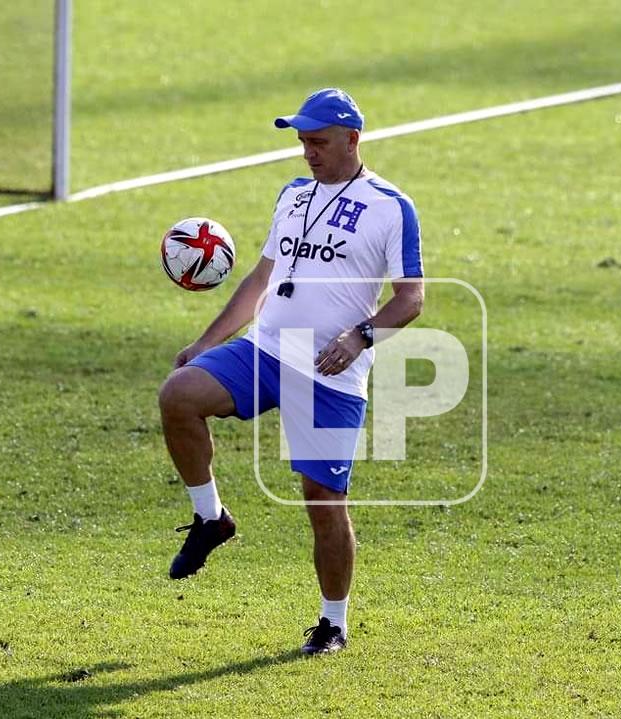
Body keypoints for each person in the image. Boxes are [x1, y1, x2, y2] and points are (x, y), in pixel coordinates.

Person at [157, 88, 424, 655]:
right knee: (179, 394)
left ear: (352, 139)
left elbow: (411, 299)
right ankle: (210, 518)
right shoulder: (293, 195)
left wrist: (360, 337)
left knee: (323, 500)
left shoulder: (391, 206)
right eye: (303, 142)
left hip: (331, 372)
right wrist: (205, 342)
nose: (308, 152)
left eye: (318, 142)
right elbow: (260, 280)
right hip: (269, 350)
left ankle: (333, 624)